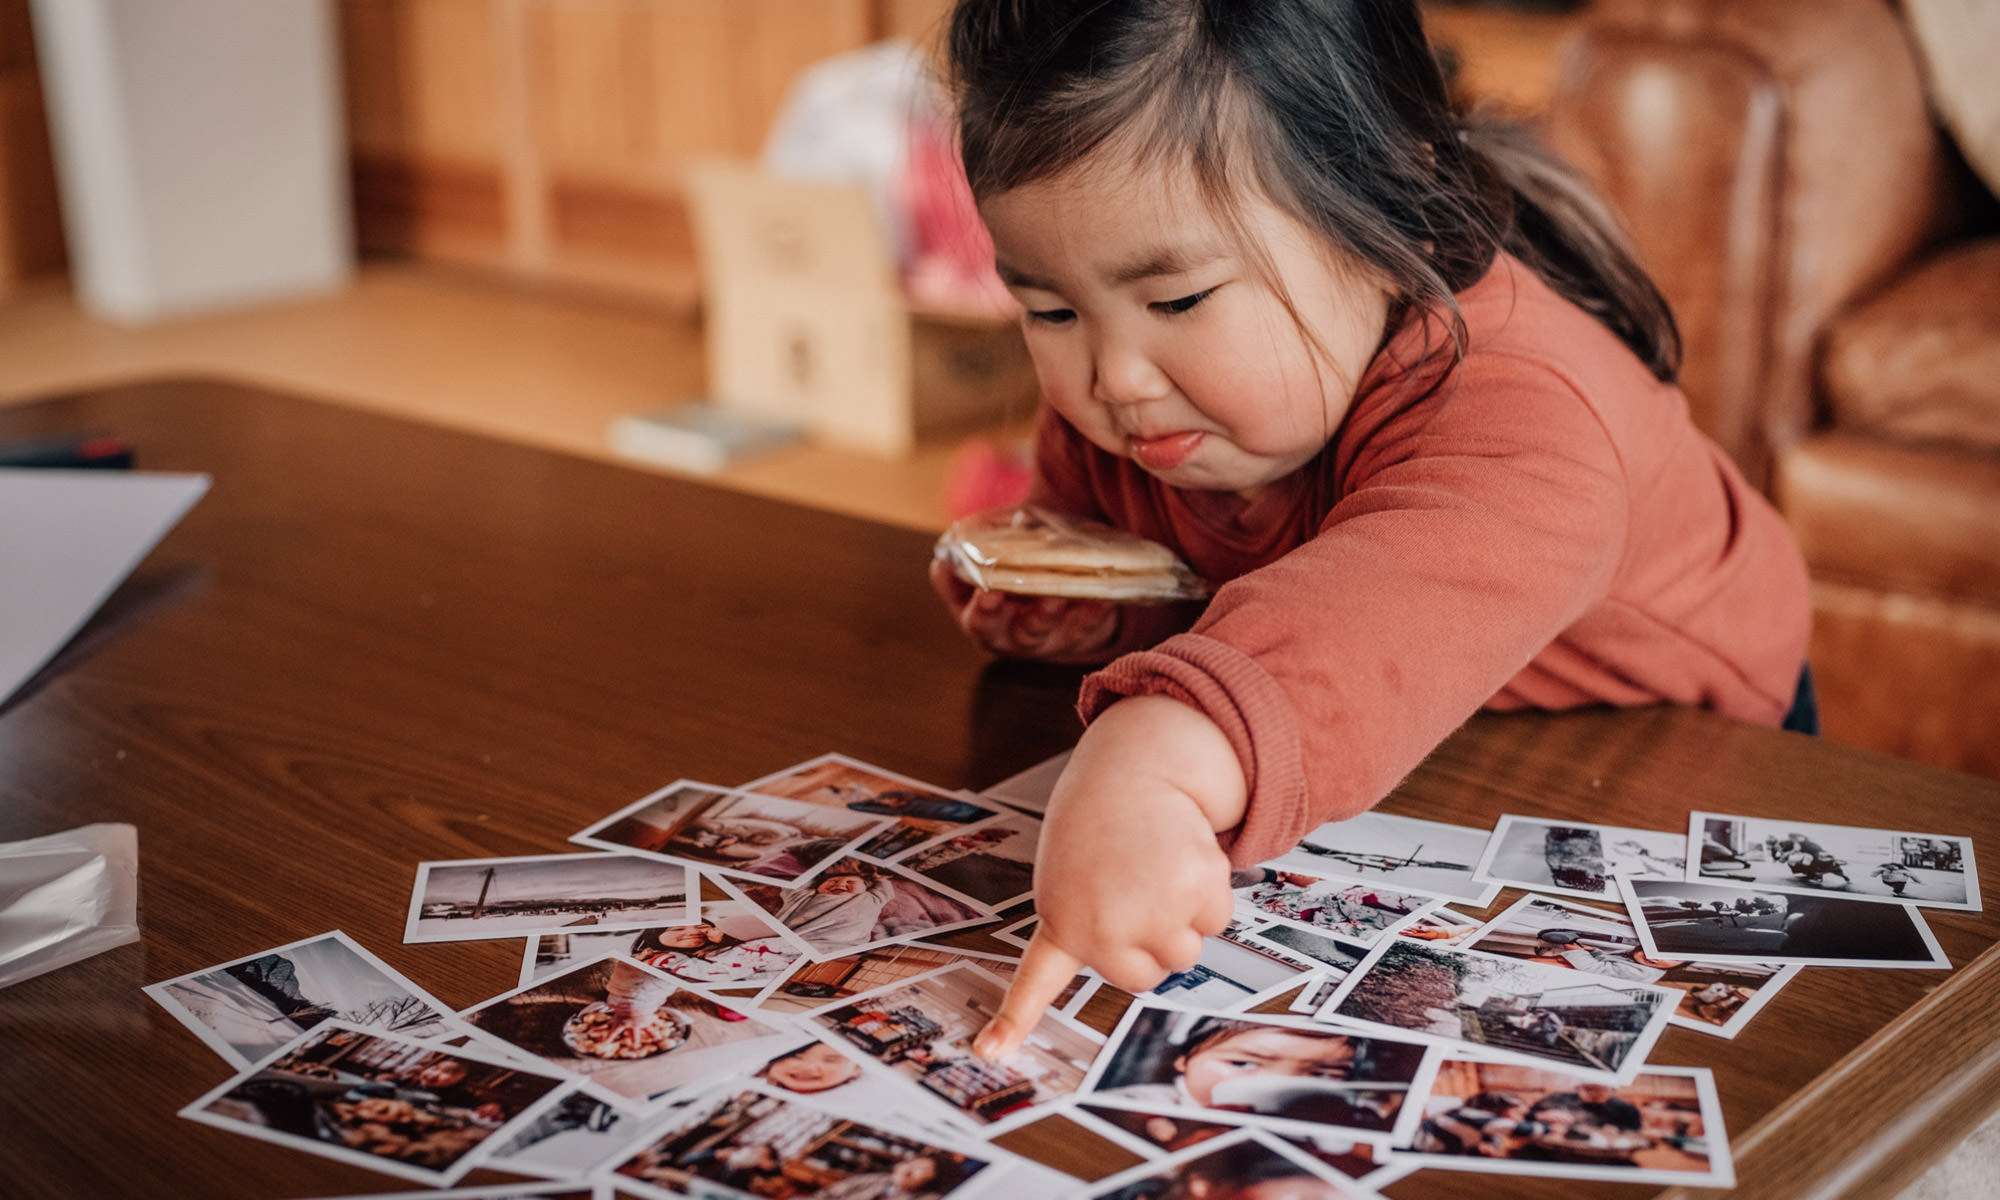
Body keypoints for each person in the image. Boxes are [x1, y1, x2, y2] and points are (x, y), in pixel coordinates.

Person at [941, 0, 1813, 1057]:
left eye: (1174, 302)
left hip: (1676, 749)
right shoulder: (1145, 410)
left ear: (1381, 219)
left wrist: (1157, 757)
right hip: (1401, 747)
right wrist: (1074, 605)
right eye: (1050, 310)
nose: (1112, 378)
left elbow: (1377, 610)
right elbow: (1124, 552)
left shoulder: (1531, 409)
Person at [1100, 1018, 1361, 1111]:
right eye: (1242, 1063)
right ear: (1184, 1060)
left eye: (1321, 1074)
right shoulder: (1148, 1103)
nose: (1272, 1086)